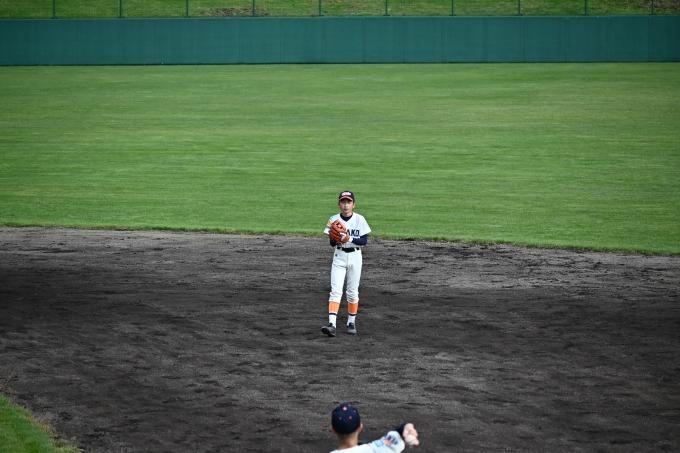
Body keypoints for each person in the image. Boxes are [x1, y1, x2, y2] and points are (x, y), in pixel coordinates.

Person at [322, 191, 371, 337]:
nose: (345, 205)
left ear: (353, 204)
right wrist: (337, 238)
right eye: (343, 202)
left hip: (355, 257)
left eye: (348, 202)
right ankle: (332, 325)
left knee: (352, 292)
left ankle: (351, 322)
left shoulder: (359, 219)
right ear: (339, 204)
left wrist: (349, 238)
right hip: (339, 256)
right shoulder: (333, 219)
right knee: (335, 290)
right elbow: (332, 243)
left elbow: (364, 241)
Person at [329, 403, 420, 452]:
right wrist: (406, 426)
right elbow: (398, 434)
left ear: (333, 430)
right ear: (360, 428)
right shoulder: (376, 450)